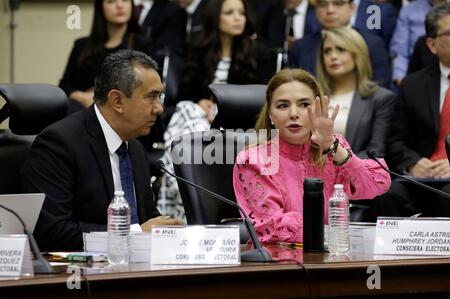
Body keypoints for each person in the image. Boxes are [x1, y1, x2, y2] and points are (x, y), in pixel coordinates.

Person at [22, 50, 181, 251]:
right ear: (117, 101)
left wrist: (170, 231)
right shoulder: (59, 144)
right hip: (81, 275)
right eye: (152, 97)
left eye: (160, 96)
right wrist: (134, 234)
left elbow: (146, 220)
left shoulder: (135, 148)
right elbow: (53, 232)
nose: (159, 108)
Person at [232, 68, 391, 244]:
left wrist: (331, 146)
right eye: (283, 105)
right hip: (278, 262)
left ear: (319, 109)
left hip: (330, 259)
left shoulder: (333, 149)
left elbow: (377, 185)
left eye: (304, 104)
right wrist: (331, 234)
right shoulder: (253, 160)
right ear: (270, 115)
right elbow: (270, 228)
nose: (294, 113)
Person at [157, 0, 269, 220]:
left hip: (237, 124)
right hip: (198, 119)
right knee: (187, 110)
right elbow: (184, 98)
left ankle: (184, 185)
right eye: (229, 13)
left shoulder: (257, 53)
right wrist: (201, 104)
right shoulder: (199, 51)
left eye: (241, 13)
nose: (238, 18)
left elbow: (259, 100)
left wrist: (222, 110)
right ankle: (190, 180)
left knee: (189, 117)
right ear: (216, 17)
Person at [382, 3, 450, 217]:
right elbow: (395, 141)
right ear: (431, 44)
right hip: (423, 176)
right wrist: (412, 163)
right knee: (388, 193)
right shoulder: (412, 85)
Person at [316, 27, 396, 158]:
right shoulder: (314, 97)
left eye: (341, 49)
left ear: (358, 54)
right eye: (327, 51)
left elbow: (375, 151)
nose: (333, 56)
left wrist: (343, 165)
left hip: (355, 174)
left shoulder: (381, 98)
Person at [59, 0, 149, 115]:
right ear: (100, 7)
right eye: (111, 1)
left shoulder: (143, 45)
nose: (119, 5)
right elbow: (65, 86)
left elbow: (147, 88)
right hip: (83, 110)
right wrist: (82, 97)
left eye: (125, 0)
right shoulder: (82, 45)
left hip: (124, 111)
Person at [289, 0, 391, 88]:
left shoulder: (372, 44)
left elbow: (381, 90)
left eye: (337, 3)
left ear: (352, 8)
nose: (330, 10)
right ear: (315, 10)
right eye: (323, 4)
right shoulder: (301, 47)